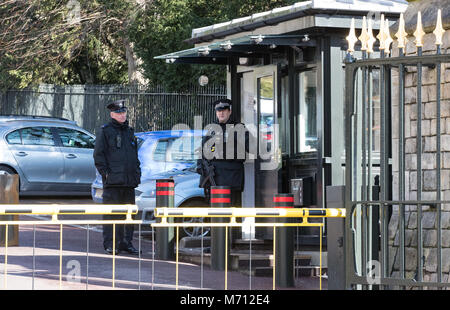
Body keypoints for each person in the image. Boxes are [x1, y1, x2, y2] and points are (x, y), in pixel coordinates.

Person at [93, 99, 141, 255]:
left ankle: (126, 242)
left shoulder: (129, 131)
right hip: (113, 182)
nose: (122, 115)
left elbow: (134, 156)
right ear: (112, 114)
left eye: (124, 112)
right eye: (119, 113)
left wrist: (136, 173)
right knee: (112, 214)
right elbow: (98, 155)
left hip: (128, 182)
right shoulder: (105, 131)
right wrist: (106, 174)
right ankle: (111, 244)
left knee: (128, 215)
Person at [197, 98, 250, 208]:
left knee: (232, 213)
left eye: (224, 110)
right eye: (218, 110)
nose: (221, 113)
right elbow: (202, 150)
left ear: (229, 111)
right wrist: (200, 166)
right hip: (214, 178)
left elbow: (251, 147)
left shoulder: (239, 128)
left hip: (231, 179)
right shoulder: (212, 129)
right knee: (216, 216)